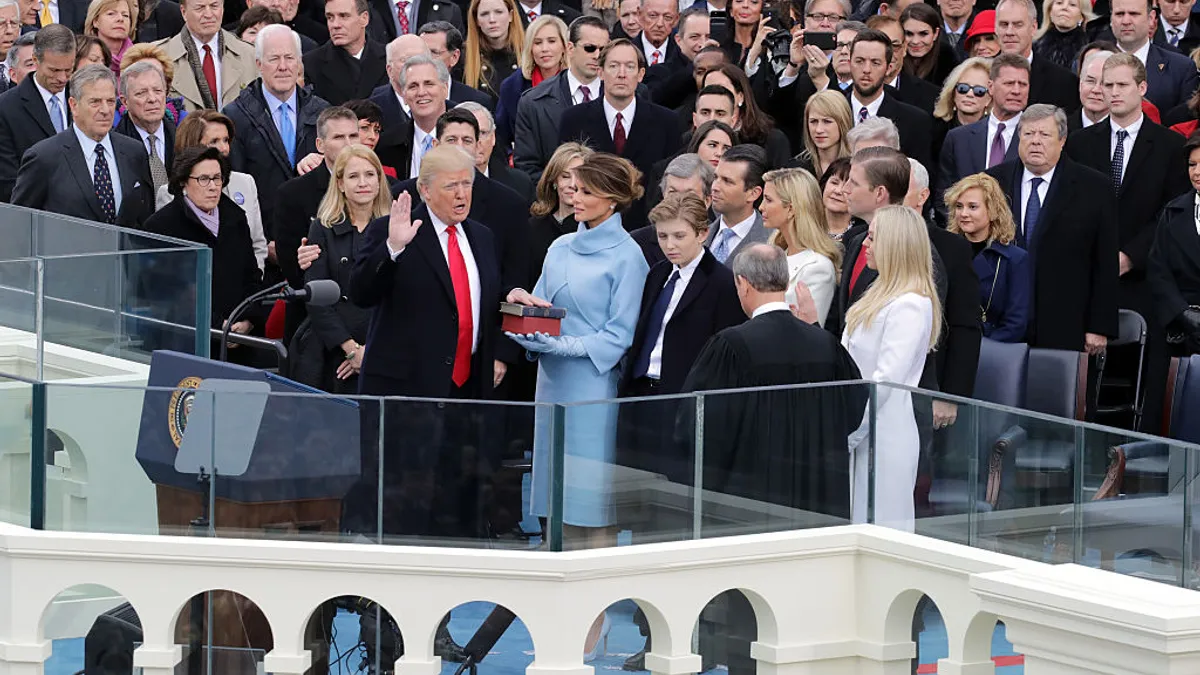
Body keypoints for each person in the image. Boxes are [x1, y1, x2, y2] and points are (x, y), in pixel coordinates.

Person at [349, 144, 503, 535]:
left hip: (466, 396)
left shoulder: (483, 236)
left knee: (457, 510)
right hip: (408, 399)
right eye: (451, 186)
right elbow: (362, 291)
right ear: (425, 190)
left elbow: (476, 303)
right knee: (405, 512)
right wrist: (393, 248)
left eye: (467, 184)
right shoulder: (392, 230)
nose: (461, 194)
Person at [505, 152, 649, 544]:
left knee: (589, 503)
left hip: (592, 388)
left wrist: (564, 346)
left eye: (587, 191)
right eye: (575, 188)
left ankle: (594, 606)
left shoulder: (628, 256)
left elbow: (619, 336)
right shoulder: (560, 246)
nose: (575, 196)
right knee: (552, 500)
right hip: (550, 384)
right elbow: (540, 309)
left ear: (613, 199)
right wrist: (520, 316)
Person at [682, 241, 865, 517]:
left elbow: (697, 424)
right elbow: (853, 411)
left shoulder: (731, 346)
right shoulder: (826, 345)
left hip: (750, 501)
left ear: (743, 284)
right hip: (817, 501)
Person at [1066, 52, 1188, 431]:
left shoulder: (1169, 147)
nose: (1112, 93)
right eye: (1107, 85)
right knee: (1087, 376)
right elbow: (1073, 208)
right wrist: (1102, 258)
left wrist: (1131, 256)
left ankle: (1138, 452)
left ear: (1142, 88)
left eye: (1121, 85)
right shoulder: (1080, 143)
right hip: (1089, 279)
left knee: (1146, 380)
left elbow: (1172, 211)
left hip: (1144, 279)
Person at [617, 191, 742, 482]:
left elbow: (722, 357)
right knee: (635, 494)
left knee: (674, 496)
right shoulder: (658, 273)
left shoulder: (722, 283)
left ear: (702, 233)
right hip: (641, 395)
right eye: (662, 237)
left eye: (678, 236)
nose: (669, 245)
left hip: (683, 402)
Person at [986, 103, 1118, 352]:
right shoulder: (992, 182)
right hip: (1002, 322)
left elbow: (1105, 261)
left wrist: (1099, 326)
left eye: (1044, 135)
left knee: (1056, 390)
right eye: (1028, 134)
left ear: (1062, 140)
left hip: (1066, 322)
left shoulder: (1094, 188)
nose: (1035, 141)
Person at [842, 204, 940, 533]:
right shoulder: (879, 292)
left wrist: (852, 432)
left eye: (872, 237)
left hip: (883, 433)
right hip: (861, 427)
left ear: (895, 243)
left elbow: (886, 380)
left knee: (883, 526)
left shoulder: (912, 304)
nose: (865, 244)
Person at [290, 144, 390, 393]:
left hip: (381, 347)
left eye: (369, 175)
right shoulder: (322, 228)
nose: (363, 183)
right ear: (341, 184)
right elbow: (316, 298)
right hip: (329, 348)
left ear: (380, 181)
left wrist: (370, 352)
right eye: (353, 176)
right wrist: (351, 350)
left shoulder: (394, 228)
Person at [143, 145, 263, 350]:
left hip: (240, 338)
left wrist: (247, 321)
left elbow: (251, 275)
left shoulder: (234, 216)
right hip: (186, 341)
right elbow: (165, 291)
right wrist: (217, 326)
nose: (213, 186)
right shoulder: (162, 226)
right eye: (203, 179)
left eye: (218, 178)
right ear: (183, 182)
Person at [557, 37, 683, 229]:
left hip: (649, 229)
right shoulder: (574, 119)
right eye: (614, 66)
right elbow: (566, 174)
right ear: (600, 72)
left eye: (630, 67)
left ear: (641, 74)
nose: (622, 74)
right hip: (589, 227)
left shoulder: (667, 122)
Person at [12, 64, 155, 228]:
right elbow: (20, 222)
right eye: (95, 102)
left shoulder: (134, 151)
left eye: (110, 101)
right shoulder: (44, 158)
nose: (105, 110)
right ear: (73, 105)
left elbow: (143, 216)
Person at [225, 24, 330, 231]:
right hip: (263, 238)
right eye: (274, 59)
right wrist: (262, 239)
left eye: (289, 58)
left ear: (299, 63)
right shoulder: (235, 116)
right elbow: (235, 186)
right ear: (258, 64)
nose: (283, 66)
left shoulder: (322, 112)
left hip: (318, 238)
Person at [159, 108, 267, 269]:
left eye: (226, 140)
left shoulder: (245, 183)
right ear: (193, 146)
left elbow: (258, 245)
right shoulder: (169, 193)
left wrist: (251, 284)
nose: (224, 148)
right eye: (214, 141)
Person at [273, 106, 360, 294]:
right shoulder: (293, 194)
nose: (348, 144)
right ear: (320, 145)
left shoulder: (383, 186)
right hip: (317, 304)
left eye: (353, 136)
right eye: (338, 137)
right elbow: (292, 268)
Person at [513, 15, 607, 179]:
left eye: (603, 49)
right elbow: (527, 166)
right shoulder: (532, 101)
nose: (597, 55)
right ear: (570, 48)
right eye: (590, 48)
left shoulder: (629, 94)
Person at [945, 172, 1031, 342]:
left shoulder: (1015, 260)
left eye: (972, 207)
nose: (963, 213)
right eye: (959, 206)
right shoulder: (944, 251)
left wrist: (981, 348)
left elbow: (1016, 323)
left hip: (991, 353)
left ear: (992, 211)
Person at [0, 24, 76, 203]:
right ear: (36, 60)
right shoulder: (6, 109)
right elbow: (8, 183)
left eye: (68, 70)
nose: (62, 78)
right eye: (54, 70)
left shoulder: (83, 96)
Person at [939, 53, 1028, 197]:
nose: (1016, 91)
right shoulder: (958, 138)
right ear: (991, 87)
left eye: (1023, 84)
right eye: (1009, 83)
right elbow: (943, 195)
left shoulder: (1036, 137)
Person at [761, 167, 841, 326]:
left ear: (791, 209)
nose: (761, 207)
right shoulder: (777, 254)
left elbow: (808, 331)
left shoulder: (817, 268)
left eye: (768, 200)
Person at [845, 28, 934, 170]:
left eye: (875, 63)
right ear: (849, 64)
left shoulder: (915, 121)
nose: (866, 69)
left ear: (888, 68)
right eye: (860, 61)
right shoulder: (832, 111)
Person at [1148, 131, 1200, 356]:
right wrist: (1183, 312)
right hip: (1183, 330)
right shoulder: (1172, 212)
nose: (1197, 172)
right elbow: (1159, 269)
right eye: (1192, 164)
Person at [155, 0, 257, 111]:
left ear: (223, 8)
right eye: (200, 8)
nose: (208, 15)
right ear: (184, 12)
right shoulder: (159, 58)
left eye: (214, 6)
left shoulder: (250, 55)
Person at [1108, 0, 1197, 113]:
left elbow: (1185, 122)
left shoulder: (1182, 68)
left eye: (1134, 14)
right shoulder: (1093, 63)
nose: (1126, 21)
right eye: (1119, 14)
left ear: (1151, 18)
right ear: (1111, 18)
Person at [495, 15, 566, 154]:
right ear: (530, 48)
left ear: (564, 46)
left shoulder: (578, 82)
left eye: (551, 41)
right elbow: (501, 137)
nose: (544, 48)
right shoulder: (512, 87)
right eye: (537, 42)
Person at [701, 63, 791, 168]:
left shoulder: (772, 139)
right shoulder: (691, 138)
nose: (714, 96)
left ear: (740, 97)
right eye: (708, 90)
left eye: (722, 90)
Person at [995, 0, 1078, 111]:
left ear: (1033, 28)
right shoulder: (979, 74)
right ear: (995, 28)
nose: (1009, 32)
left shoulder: (1063, 82)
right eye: (1004, 25)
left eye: (1018, 25)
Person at [301, 0, 386, 105]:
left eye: (344, 16)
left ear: (364, 19)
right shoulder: (311, 64)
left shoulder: (389, 59)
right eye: (330, 17)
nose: (335, 25)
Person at [114, 59, 175, 196]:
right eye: (141, 93)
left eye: (158, 90)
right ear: (125, 102)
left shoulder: (183, 138)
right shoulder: (116, 145)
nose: (152, 99)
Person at [528, 140, 589, 275]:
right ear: (554, 180)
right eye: (565, 176)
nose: (572, 184)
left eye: (580, 177)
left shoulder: (594, 229)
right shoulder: (533, 227)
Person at [706, 144, 768, 265]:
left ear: (753, 193)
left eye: (727, 181)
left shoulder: (771, 242)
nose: (715, 187)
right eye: (715, 177)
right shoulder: (699, 235)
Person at [115, 43, 189, 127]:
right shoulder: (112, 122)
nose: (152, 99)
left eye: (156, 73)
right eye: (140, 71)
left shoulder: (185, 122)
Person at [462, 0, 524, 101]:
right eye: (484, 14)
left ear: (510, 15)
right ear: (476, 20)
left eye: (499, 12)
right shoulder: (463, 57)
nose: (492, 19)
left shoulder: (530, 52)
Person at [793, 89, 852, 179]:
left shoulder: (856, 168)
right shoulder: (796, 169)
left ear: (843, 123)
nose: (819, 129)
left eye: (827, 121)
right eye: (813, 121)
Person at [900, 2, 960, 85]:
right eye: (909, 34)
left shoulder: (948, 59)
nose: (915, 41)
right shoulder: (892, 58)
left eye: (923, 34)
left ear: (935, 33)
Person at [1032, 0, 1098, 72]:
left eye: (1072, 5)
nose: (1064, 8)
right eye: (1059, 3)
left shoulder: (1090, 48)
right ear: (1049, 11)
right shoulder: (1033, 45)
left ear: (1082, 16)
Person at [933, 56, 992, 134]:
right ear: (953, 93)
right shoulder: (935, 130)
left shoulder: (996, 133)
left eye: (979, 90)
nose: (969, 94)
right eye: (963, 88)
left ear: (989, 99)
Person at [83, 0, 133, 75]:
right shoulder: (83, 57)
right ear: (95, 21)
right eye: (111, 14)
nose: (120, 18)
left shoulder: (139, 58)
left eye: (125, 15)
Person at [1071, 47, 1112, 130]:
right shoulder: (1059, 129)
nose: (1096, 90)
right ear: (1080, 84)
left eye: (1105, 84)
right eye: (1090, 81)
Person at [820, 157, 854, 240]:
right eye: (834, 183)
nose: (838, 191)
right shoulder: (804, 225)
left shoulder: (864, 235)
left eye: (848, 186)